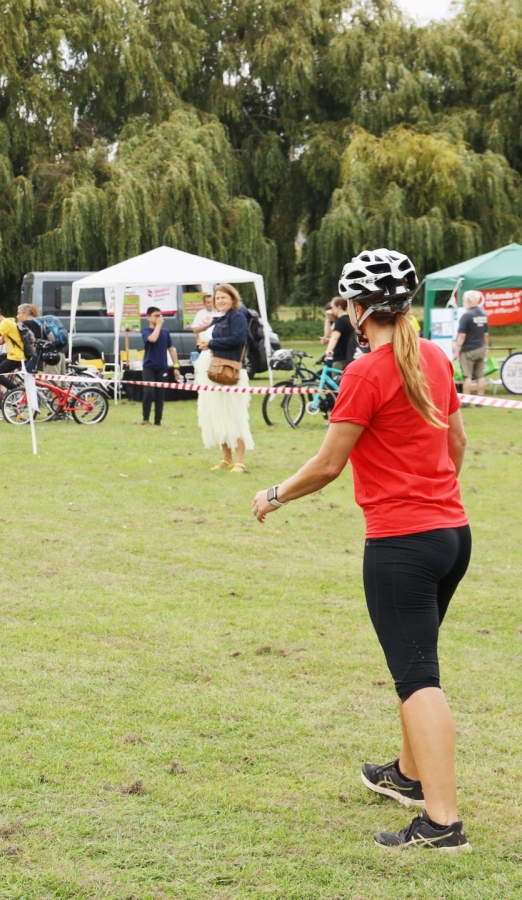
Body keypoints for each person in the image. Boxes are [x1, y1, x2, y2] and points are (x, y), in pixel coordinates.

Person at [253, 248, 471, 851]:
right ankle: (406, 776)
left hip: (403, 542)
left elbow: (326, 466)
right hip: (452, 535)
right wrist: (436, 495)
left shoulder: (364, 372)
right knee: (417, 660)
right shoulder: (433, 355)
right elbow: (456, 443)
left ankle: (441, 823)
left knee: (417, 676)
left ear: (357, 310)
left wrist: (274, 493)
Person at [199, 284, 254, 473]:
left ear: (232, 298)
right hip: (215, 371)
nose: (220, 301)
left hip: (233, 373)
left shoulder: (238, 317)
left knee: (235, 415)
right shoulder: (219, 318)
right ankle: (226, 459)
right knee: (218, 415)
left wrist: (211, 342)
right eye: (217, 298)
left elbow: (238, 339)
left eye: (224, 297)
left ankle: (239, 460)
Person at [138, 306, 182, 426]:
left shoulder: (165, 332)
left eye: (160, 315)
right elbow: (152, 339)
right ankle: (146, 418)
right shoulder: (146, 331)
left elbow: (171, 350)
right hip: (149, 366)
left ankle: (158, 421)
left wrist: (176, 366)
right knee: (149, 392)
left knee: (160, 394)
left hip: (162, 366)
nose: (159, 318)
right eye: (156, 316)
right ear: (148, 317)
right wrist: (158, 326)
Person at [453, 289, 489, 397]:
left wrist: (457, 350)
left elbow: (462, 335)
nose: (463, 302)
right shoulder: (483, 315)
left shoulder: (466, 316)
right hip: (480, 347)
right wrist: (485, 347)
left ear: (468, 300)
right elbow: (486, 334)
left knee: (467, 376)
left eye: (463, 300)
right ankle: (481, 397)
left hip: (468, 349)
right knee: (480, 375)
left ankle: (466, 400)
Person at [324, 297, 359, 372]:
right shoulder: (349, 319)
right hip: (348, 355)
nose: (331, 309)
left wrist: (328, 350)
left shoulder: (340, 321)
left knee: (335, 381)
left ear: (339, 307)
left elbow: (335, 338)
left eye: (333, 307)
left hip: (340, 358)